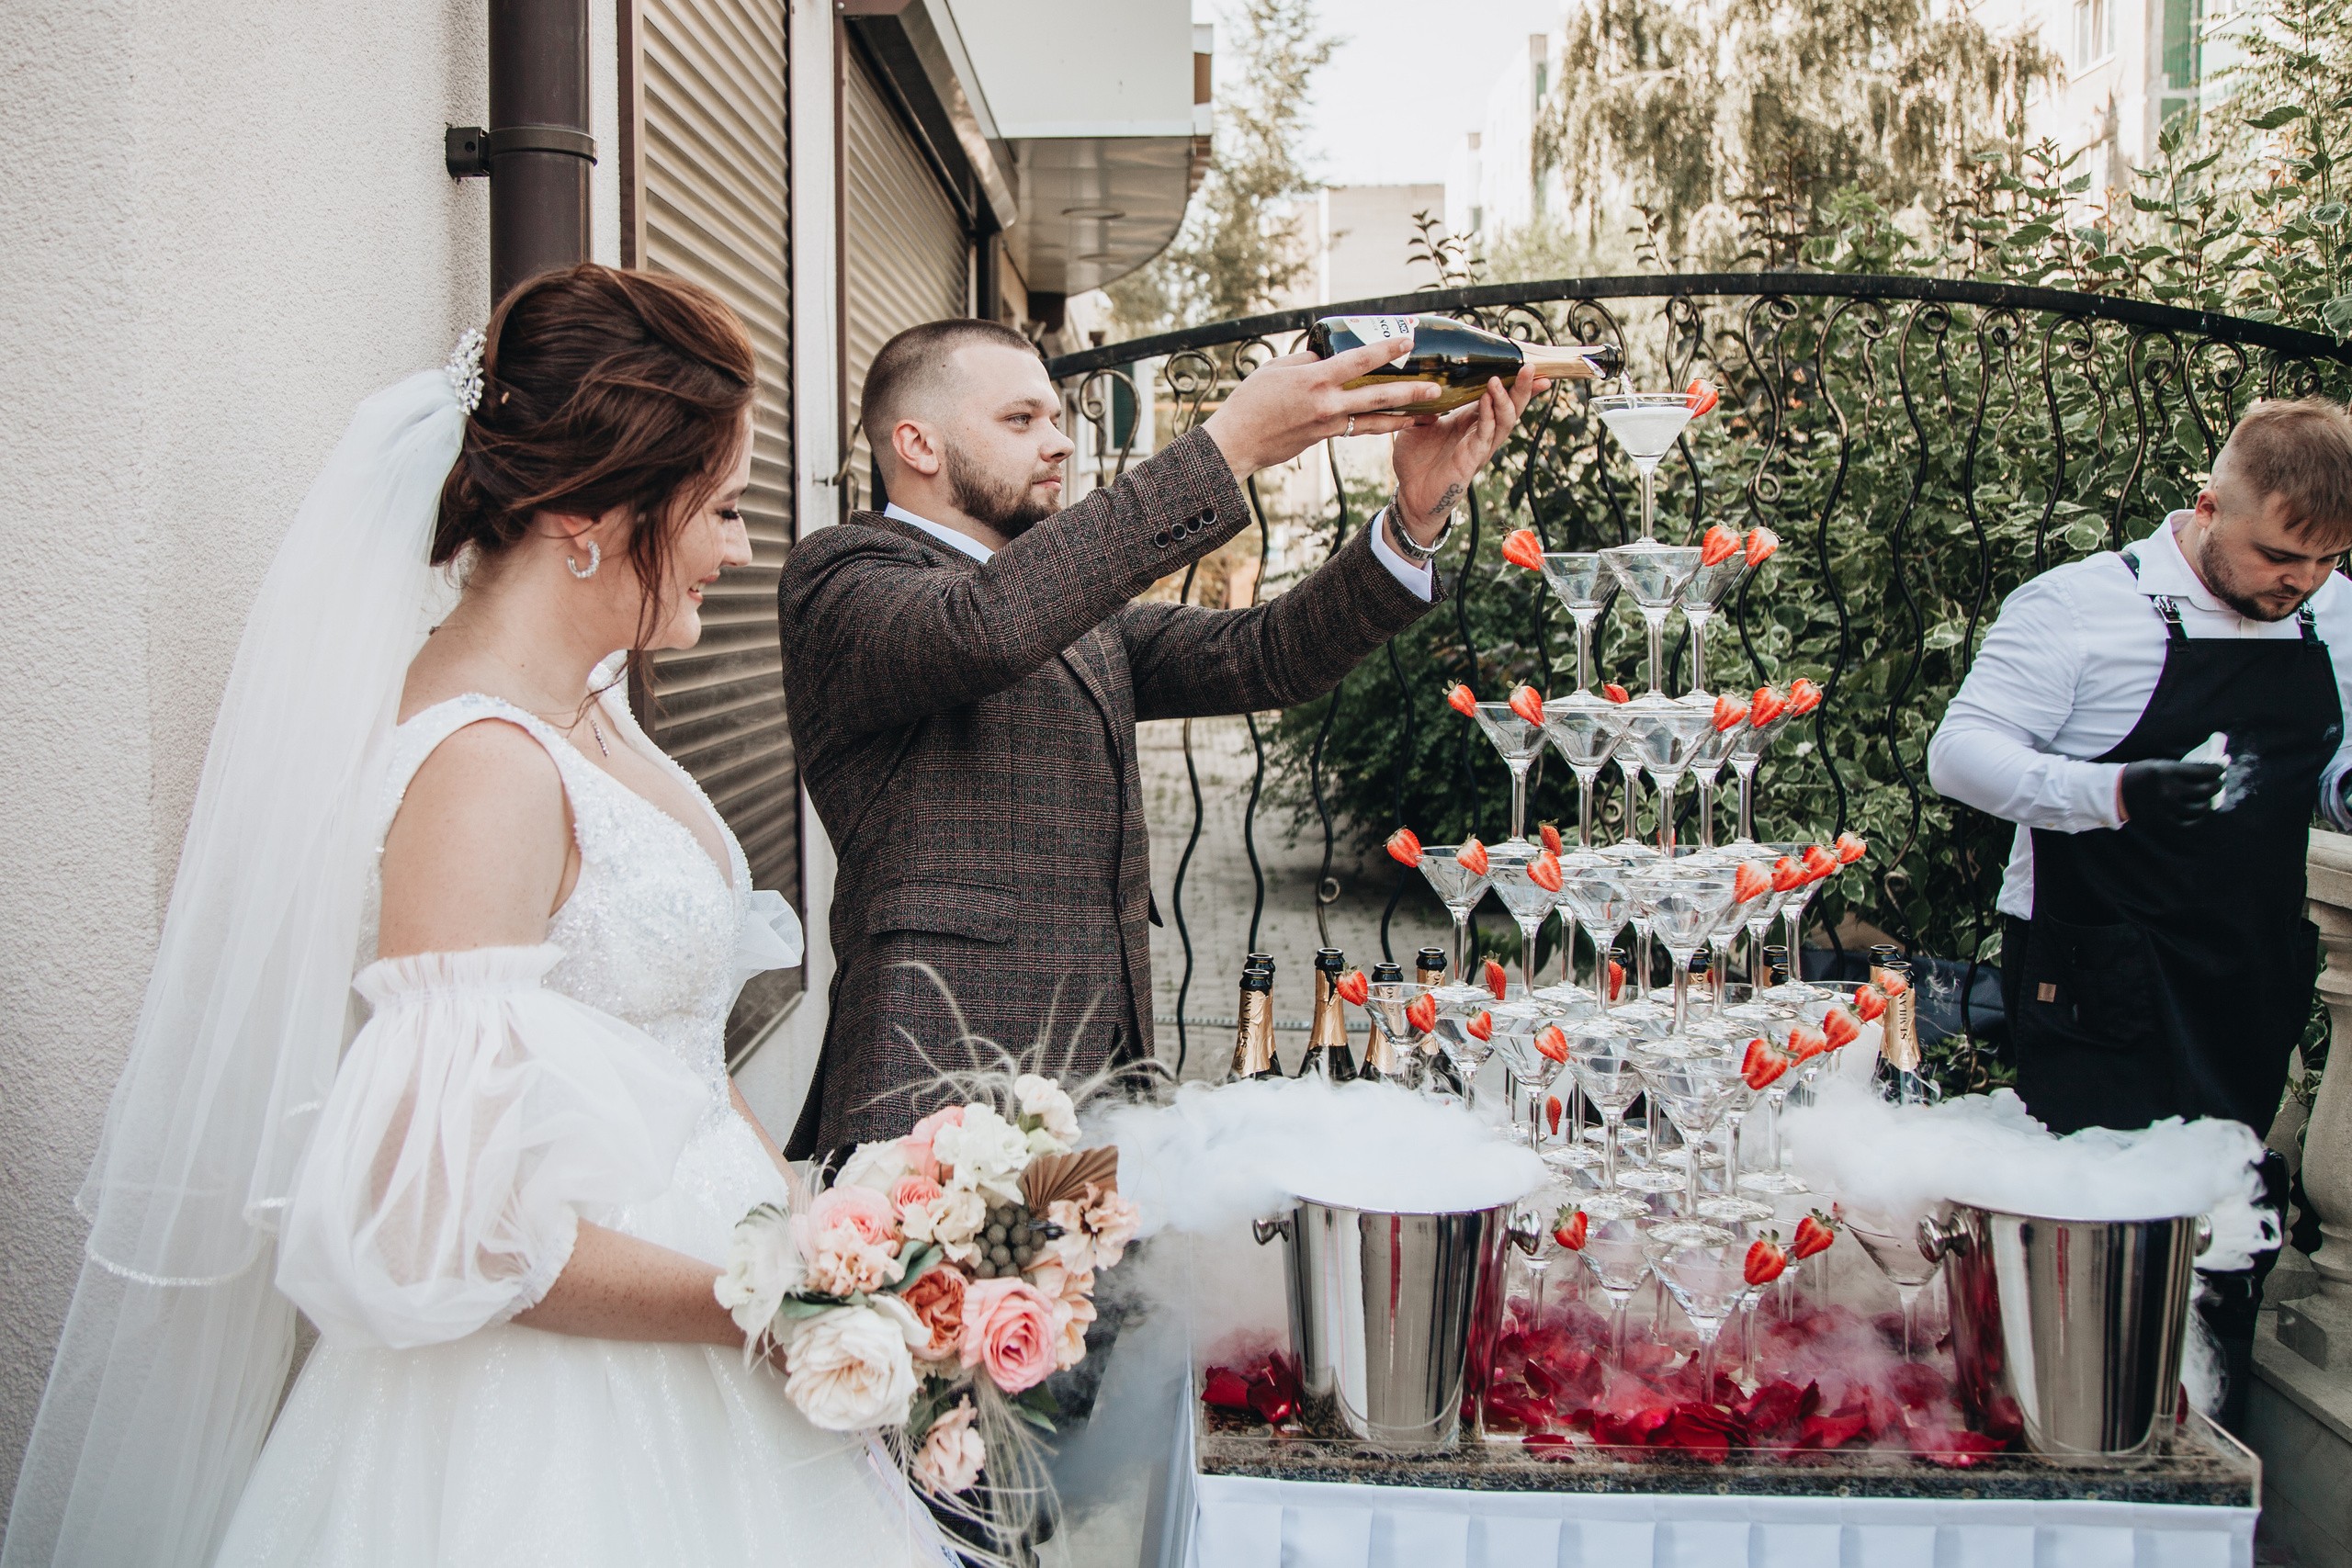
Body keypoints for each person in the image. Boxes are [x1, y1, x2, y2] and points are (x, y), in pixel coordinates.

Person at [5, 265, 944, 1568]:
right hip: (546, 1424)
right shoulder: (481, 773)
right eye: (721, 507)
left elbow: (671, 1043)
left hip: (713, 1347)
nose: (738, 549)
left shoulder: (590, 700)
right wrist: (769, 1301)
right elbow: (433, 1218)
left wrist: (812, 1224)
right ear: (587, 517)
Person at [779, 319, 1555, 1159]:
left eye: (1054, 417)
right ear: (918, 444)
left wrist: (1413, 517)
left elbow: (1268, 655)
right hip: (934, 1091)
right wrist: (1229, 447)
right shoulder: (842, 580)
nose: (1060, 443)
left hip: (1099, 1086)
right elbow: (985, 631)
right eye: (1021, 420)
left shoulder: (1073, 613)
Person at [1927, 395, 2352, 1431]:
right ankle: (2076, 1445)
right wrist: (2110, 793)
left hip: (2246, 968)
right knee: (2104, 1233)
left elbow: (2334, 766)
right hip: (2092, 971)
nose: (2299, 582)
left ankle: (2206, 1460)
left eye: (2327, 560)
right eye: (2275, 557)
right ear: (2207, 506)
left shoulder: (2334, 614)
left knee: (2230, 1230)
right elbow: (1960, 755)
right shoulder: (2079, 608)